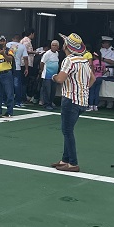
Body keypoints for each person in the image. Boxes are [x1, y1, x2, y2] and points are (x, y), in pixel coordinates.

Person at [51, 33, 93, 172]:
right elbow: (92, 79)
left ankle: (73, 163)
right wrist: (82, 89)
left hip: (70, 99)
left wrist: (54, 77)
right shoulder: (84, 60)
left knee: (67, 131)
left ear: (66, 46)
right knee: (68, 130)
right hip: (82, 100)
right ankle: (65, 159)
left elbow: (60, 79)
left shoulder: (69, 60)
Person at [38, 39, 61, 110]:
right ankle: (46, 104)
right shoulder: (47, 54)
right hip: (47, 75)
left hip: (54, 76)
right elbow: (42, 63)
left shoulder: (57, 53)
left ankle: (51, 103)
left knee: (53, 91)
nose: (53, 47)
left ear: (58, 47)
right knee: (47, 90)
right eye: (52, 45)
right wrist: (42, 70)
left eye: (55, 45)